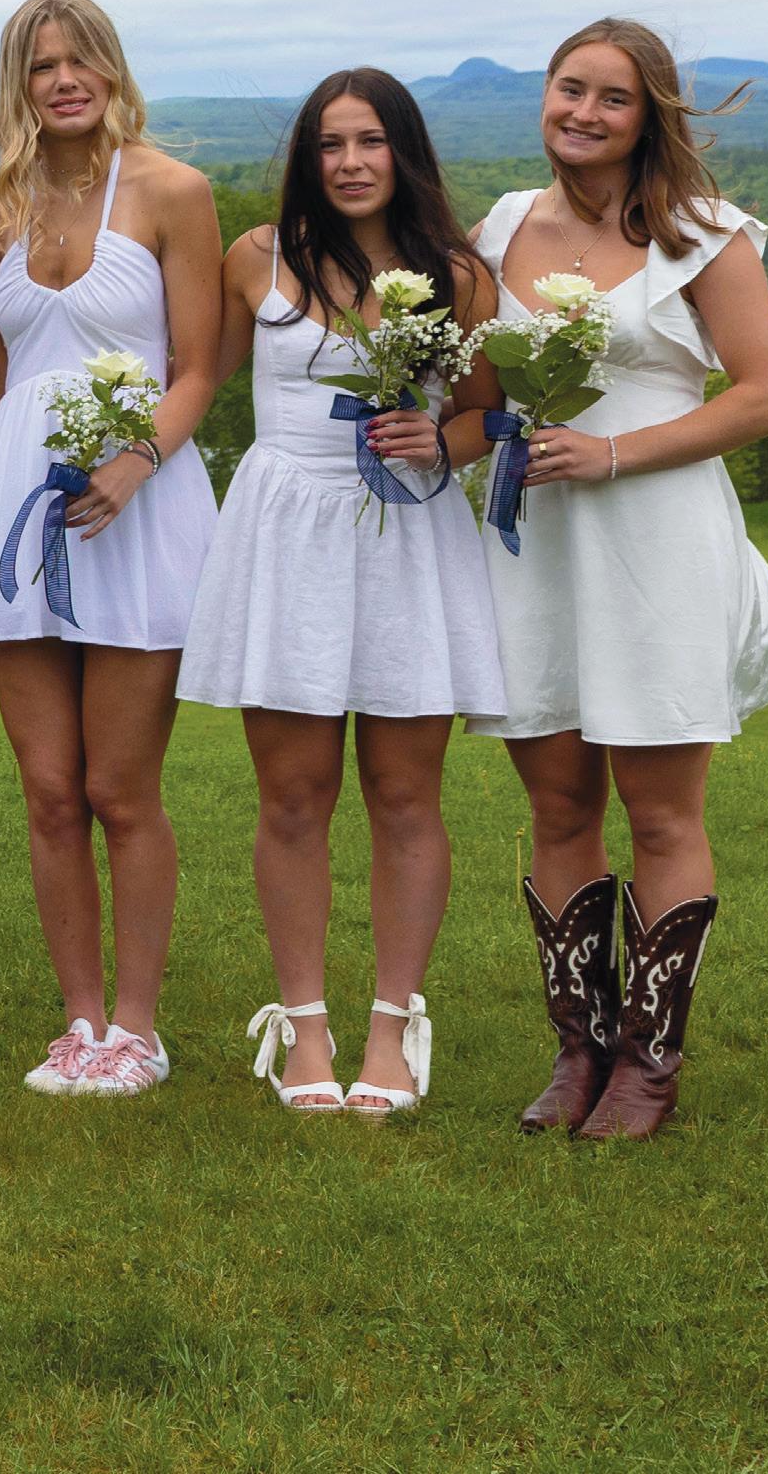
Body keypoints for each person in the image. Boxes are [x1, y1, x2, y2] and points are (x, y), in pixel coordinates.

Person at [470, 19, 768, 1141]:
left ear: (649, 116)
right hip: (538, 541)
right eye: (571, 88)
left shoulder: (704, 234)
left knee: (659, 810)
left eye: (613, 98)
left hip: (655, 539)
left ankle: (649, 1065)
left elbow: (764, 395)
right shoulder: (503, 223)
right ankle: (579, 1048)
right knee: (558, 800)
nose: (585, 112)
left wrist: (611, 452)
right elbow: (478, 388)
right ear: (544, 95)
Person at [178, 72, 505, 1112]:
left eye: (370, 141)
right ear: (305, 157)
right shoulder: (255, 257)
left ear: (403, 151)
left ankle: (392, 1030)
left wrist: (438, 438)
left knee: (405, 794)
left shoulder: (458, 275)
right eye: (329, 143)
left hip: (407, 534)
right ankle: (305, 1028)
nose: (350, 162)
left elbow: (485, 414)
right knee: (292, 794)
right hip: (284, 528)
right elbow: (196, 378)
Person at [0, 0, 221, 1097]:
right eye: (40, 64)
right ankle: (79, 1022)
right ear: (17, 83)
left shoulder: (171, 190)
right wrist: (8, 454)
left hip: (137, 504)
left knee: (119, 785)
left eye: (80, 59)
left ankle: (138, 1031)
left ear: (110, 67)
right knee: (49, 789)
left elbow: (199, 364)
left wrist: (131, 459)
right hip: (20, 512)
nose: (63, 81)